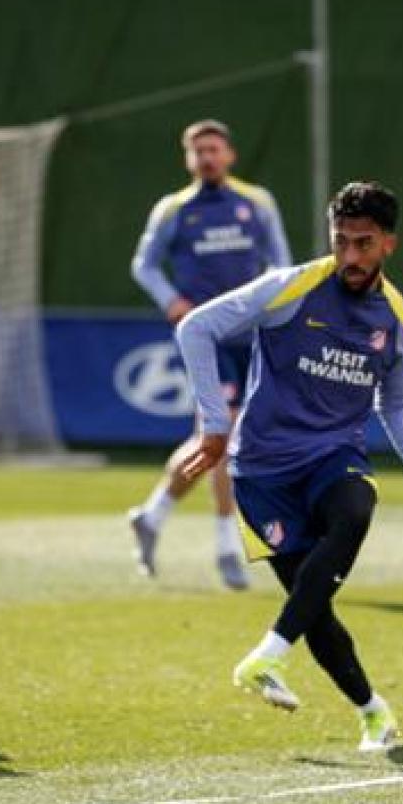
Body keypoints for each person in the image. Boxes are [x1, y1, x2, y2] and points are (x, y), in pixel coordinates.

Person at [174, 181, 403, 751]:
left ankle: (266, 657)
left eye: (364, 244)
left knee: (356, 507)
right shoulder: (293, 287)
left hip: (333, 456)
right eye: (341, 242)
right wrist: (215, 425)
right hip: (262, 472)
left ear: (390, 244)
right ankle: (373, 711)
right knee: (313, 606)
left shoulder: (401, 321)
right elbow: (196, 328)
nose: (351, 258)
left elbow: (397, 403)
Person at [128, 119, 292, 590]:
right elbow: (143, 264)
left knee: (212, 439)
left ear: (230, 155)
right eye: (198, 151)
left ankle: (153, 514)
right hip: (207, 338)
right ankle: (226, 546)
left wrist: (277, 311)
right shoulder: (174, 210)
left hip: (252, 334)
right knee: (225, 434)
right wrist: (170, 301)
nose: (207, 158)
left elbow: (279, 263)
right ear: (188, 159)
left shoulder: (257, 203)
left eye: (214, 149)